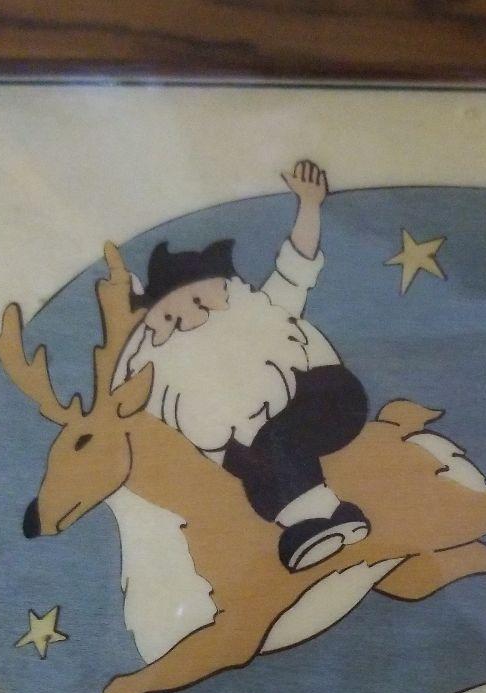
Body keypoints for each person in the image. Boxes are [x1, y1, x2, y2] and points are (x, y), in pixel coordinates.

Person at [113, 160, 370, 572]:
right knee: (252, 466)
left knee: (274, 438)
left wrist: (309, 205)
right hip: (249, 445)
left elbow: (297, 265)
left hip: (325, 399)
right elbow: (122, 393)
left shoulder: (264, 312)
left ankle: (322, 518)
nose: (190, 318)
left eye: (199, 301)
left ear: (227, 289)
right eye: (170, 317)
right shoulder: (163, 382)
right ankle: (322, 524)